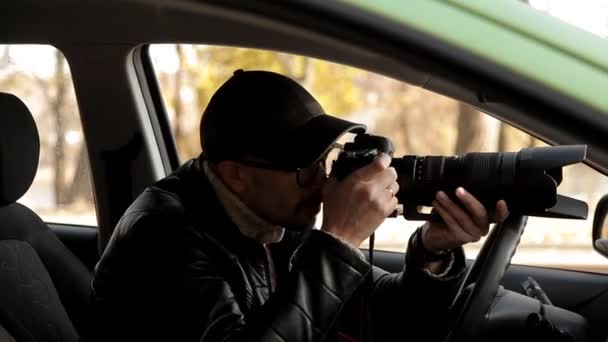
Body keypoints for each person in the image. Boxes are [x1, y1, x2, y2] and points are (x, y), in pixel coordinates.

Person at [88, 69, 508, 342]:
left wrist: (432, 252)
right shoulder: (162, 235)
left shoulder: (271, 213)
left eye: (322, 161)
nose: (323, 182)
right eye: (304, 167)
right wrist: (340, 238)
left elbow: (375, 308)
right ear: (235, 174)